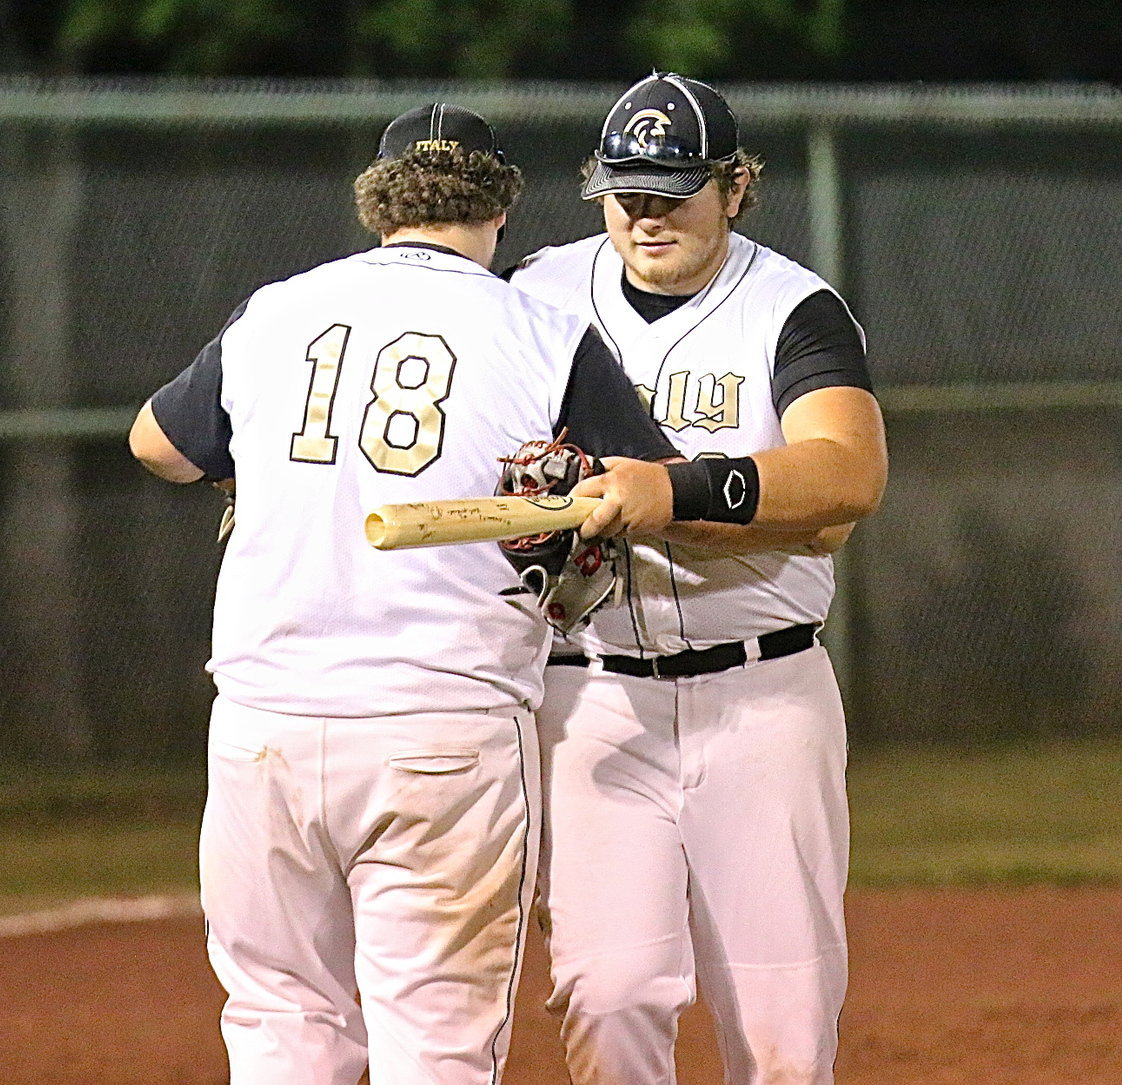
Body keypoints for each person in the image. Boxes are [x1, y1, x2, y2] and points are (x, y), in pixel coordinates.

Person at [127, 102, 677, 1085]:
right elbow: (655, 490)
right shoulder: (543, 330)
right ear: (500, 207)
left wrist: (253, 475)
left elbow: (157, 444)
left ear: (379, 204)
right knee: (435, 1041)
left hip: (267, 720)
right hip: (442, 719)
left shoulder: (280, 308)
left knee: (279, 1018)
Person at [507, 72, 889, 1085]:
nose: (645, 212)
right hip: (590, 691)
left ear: (735, 186)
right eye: (625, 188)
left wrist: (672, 491)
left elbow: (846, 470)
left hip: (762, 693)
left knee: (784, 1030)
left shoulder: (790, 306)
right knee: (609, 993)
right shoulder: (536, 292)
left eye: (674, 188)